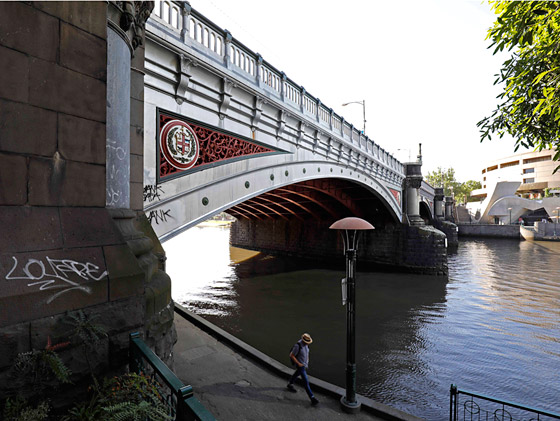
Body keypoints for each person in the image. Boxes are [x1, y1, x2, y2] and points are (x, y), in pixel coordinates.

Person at [287, 333, 319, 405]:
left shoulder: (306, 345)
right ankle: (312, 397)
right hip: (300, 365)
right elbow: (291, 355)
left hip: (304, 365)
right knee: (305, 381)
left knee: (297, 374)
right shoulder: (297, 346)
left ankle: (290, 383)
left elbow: (307, 353)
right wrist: (298, 363)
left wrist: (307, 361)